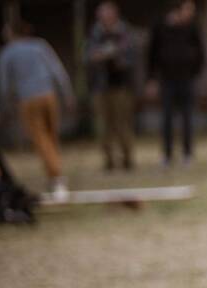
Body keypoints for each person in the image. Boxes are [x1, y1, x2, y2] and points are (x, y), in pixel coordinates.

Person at [0, 20, 73, 199]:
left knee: (41, 139)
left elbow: (5, 84)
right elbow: (57, 71)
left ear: (13, 32)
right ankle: (55, 174)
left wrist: (6, 106)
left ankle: (56, 178)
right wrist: (67, 94)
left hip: (28, 100)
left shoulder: (8, 52)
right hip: (49, 95)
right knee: (51, 136)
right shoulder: (40, 46)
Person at [147, 0, 204, 168]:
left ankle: (187, 153)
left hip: (187, 79)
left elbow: (201, 52)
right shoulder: (160, 27)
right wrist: (151, 79)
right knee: (166, 118)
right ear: (178, 10)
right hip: (167, 80)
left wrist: (195, 72)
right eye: (188, 10)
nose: (191, 14)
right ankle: (167, 154)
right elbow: (151, 54)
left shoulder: (192, 28)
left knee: (187, 117)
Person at [87, 1, 138, 172]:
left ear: (115, 15)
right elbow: (88, 56)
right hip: (100, 87)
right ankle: (108, 160)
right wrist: (101, 55)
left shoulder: (125, 32)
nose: (105, 18)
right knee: (103, 125)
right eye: (102, 15)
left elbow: (132, 57)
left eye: (108, 14)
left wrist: (117, 57)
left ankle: (127, 159)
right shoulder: (95, 34)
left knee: (122, 123)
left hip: (122, 85)